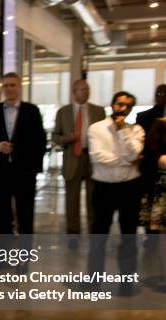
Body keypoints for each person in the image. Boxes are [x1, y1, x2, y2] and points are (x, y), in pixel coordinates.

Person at [0, 72, 47, 234]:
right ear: (2, 88)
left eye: (13, 85)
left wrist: (34, 169)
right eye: (6, 85)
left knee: (25, 215)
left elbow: (40, 141)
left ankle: (24, 255)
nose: (9, 88)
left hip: (24, 172)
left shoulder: (32, 110)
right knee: (0, 215)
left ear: (19, 87)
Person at [88, 91, 144, 277]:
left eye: (128, 106)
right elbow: (98, 157)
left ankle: (126, 281)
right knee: (98, 236)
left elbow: (133, 154)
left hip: (129, 187)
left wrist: (122, 132)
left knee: (128, 236)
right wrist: (127, 161)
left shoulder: (136, 130)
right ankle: (94, 279)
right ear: (112, 104)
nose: (123, 108)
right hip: (104, 187)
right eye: (120, 104)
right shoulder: (96, 128)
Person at [53, 79, 106, 241]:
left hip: (92, 159)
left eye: (87, 89)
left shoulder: (99, 111)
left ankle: (93, 231)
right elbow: (55, 136)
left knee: (93, 198)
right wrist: (67, 138)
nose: (86, 92)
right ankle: (73, 233)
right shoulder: (63, 112)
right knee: (72, 199)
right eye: (82, 89)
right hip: (72, 158)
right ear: (74, 92)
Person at [138, 84, 166, 238]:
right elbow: (142, 146)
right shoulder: (144, 117)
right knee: (152, 209)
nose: (162, 95)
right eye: (159, 93)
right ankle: (151, 237)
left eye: (165, 93)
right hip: (152, 170)